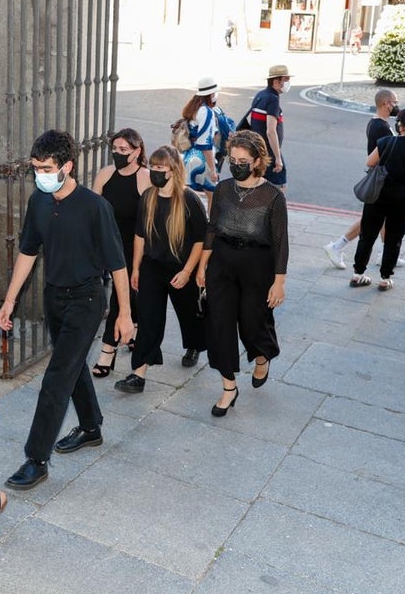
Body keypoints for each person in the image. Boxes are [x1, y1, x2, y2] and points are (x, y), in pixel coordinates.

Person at [0, 130, 133, 490]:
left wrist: (125, 315)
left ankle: (35, 459)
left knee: (56, 379)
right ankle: (91, 427)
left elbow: (118, 265)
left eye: (46, 168)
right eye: (35, 168)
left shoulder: (95, 207)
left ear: (67, 166)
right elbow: (28, 252)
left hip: (87, 300)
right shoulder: (38, 202)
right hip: (53, 298)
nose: (39, 174)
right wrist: (10, 299)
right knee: (71, 365)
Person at [195, 131, 288, 417]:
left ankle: (262, 355)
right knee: (219, 323)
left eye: (243, 160)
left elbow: (281, 242)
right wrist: (202, 266)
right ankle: (228, 387)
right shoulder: (222, 189)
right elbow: (212, 228)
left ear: (257, 160)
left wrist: (279, 283)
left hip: (256, 264)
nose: (236, 165)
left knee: (252, 323)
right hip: (222, 261)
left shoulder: (272, 196)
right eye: (233, 159)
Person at [115, 146, 208, 394]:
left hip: (181, 268)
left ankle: (194, 345)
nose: (155, 172)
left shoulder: (189, 199)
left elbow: (201, 240)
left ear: (173, 170)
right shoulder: (148, 197)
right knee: (149, 319)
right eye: (153, 167)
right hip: (152, 267)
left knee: (188, 313)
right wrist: (135, 268)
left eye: (160, 168)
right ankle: (139, 373)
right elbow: (139, 236)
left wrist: (188, 271)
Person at [349, 109, 405, 290]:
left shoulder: (388, 141)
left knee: (367, 234)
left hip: (378, 194)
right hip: (403, 198)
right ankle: (385, 278)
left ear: (402, 126)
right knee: (394, 237)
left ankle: (358, 274)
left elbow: (369, 162)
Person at [90, 129, 150, 379]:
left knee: (120, 295)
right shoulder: (105, 174)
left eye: (123, 150)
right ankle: (131, 331)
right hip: (107, 242)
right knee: (129, 295)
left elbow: (148, 222)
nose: (117, 154)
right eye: (114, 149)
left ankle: (107, 349)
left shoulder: (145, 177)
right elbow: (92, 212)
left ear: (137, 151)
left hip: (134, 246)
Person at [324, 89, 405, 268]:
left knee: (382, 218)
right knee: (370, 219)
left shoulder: (376, 123)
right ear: (386, 103)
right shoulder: (381, 127)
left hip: (381, 178)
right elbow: (385, 154)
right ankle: (337, 246)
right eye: (395, 101)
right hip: (380, 179)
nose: (397, 105)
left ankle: (385, 253)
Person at [181, 78, 227, 208]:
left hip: (188, 156)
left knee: (187, 196)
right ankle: (210, 225)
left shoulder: (194, 108)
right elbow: (205, 144)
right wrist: (213, 170)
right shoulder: (207, 112)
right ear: (211, 94)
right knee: (213, 196)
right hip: (201, 159)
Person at [247, 65, 290, 193]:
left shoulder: (260, 95)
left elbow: (252, 120)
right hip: (268, 152)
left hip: (257, 149)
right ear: (276, 81)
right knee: (279, 188)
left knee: (258, 187)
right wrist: (277, 158)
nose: (288, 83)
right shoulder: (273, 100)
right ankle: (274, 213)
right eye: (286, 79)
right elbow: (271, 131)